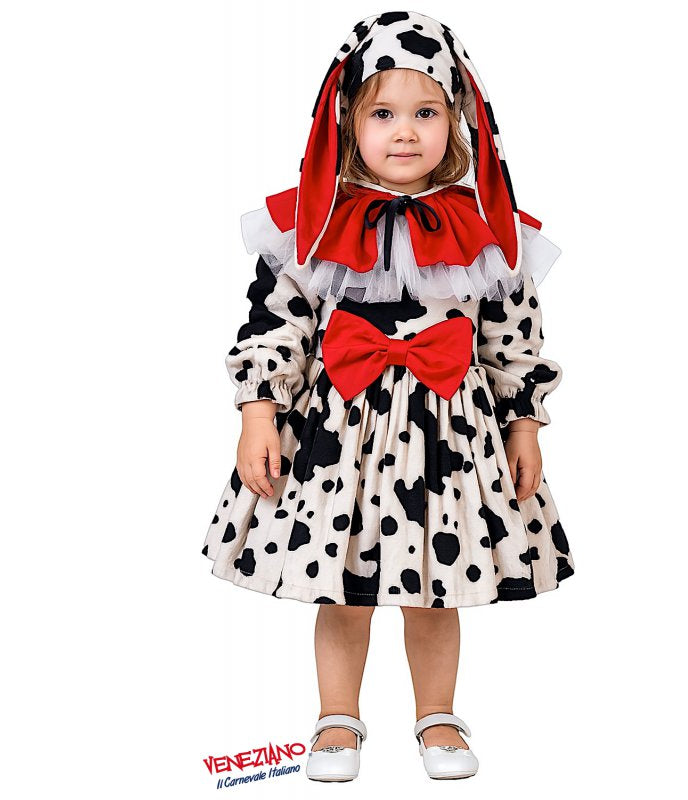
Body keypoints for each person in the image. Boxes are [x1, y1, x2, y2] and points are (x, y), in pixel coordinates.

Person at [201, 10, 575, 782]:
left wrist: (524, 427)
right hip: (339, 441)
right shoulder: (313, 224)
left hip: (448, 443)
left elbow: (513, 338)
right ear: (347, 121)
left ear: (458, 120)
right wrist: (258, 412)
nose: (405, 131)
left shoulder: (487, 229)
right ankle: (337, 717)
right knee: (341, 590)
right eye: (383, 114)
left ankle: (438, 715)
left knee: (436, 592)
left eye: (426, 112)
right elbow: (275, 325)